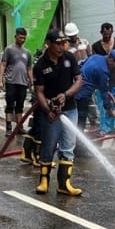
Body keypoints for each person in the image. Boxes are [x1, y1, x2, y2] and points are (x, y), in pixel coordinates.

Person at [33, 29, 83, 196]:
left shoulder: (69, 58)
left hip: (69, 109)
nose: (63, 46)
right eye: (58, 43)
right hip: (51, 113)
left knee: (68, 146)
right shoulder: (40, 65)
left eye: (64, 43)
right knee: (49, 146)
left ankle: (64, 184)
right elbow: (38, 91)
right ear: (48, 44)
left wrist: (66, 94)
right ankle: (44, 181)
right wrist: (47, 110)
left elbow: (79, 80)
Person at [76, 50, 115, 135]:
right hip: (82, 94)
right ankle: (78, 143)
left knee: (75, 116)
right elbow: (104, 92)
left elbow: (80, 65)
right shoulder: (103, 71)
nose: (114, 67)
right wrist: (110, 110)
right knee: (81, 118)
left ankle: (74, 138)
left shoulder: (95, 57)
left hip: (76, 88)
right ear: (111, 60)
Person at [0, 28, 33, 134]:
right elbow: (3, 64)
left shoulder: (27, 52)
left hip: (23, 83)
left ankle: (19, 127)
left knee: (20, 106)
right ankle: (8, 128)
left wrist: (31, 80)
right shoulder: (9, 49)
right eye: (20, 37)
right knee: (10, 105)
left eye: (24, 38)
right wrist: (0, 80)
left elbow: (29, 68)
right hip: (11, 82)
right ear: (16, 36)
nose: (22, 39)